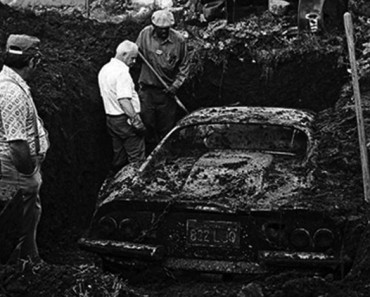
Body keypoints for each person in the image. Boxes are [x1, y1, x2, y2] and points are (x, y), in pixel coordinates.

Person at [0, 34, 50, 266]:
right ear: (31, 62)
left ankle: (30, 259)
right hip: (17, 170)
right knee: (21, 222)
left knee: (28, 219)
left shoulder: (10, 84)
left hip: (18, 170)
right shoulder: (11, 92)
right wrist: (29, 171)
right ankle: (19, 269)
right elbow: (17, 144)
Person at [136, 9, 190, 151]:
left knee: (166, 129)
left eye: (167, 29)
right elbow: (135, 56)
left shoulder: (179, 41)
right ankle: (148, 155)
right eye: (161, 29)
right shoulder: (144, 34)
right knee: (147, 126)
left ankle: (165, 155)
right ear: (154, 26)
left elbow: (185, 66)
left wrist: (176, 85)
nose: (164, 32)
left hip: (167, 94)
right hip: (147, 92)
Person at [98, 40, 146, 174]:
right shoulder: (122, 73)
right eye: (133, 58)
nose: (134, 62)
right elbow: (124, 100)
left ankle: (116, 182)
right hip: (125, 120)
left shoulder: (105, 69)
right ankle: (136, 183)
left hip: (112, 119)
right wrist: (136, 121)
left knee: (119, 155)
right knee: (137, 157)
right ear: (124, 55)